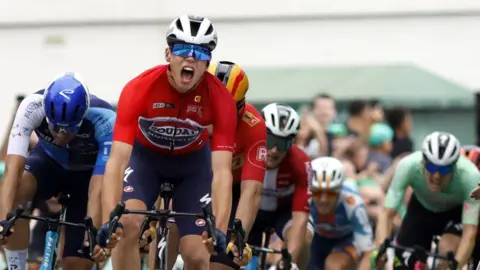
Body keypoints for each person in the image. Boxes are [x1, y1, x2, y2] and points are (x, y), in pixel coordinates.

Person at [96, 15, 238, 270]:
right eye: (183, 49)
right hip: (146, 162)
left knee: (197, 253)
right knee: (126, 227)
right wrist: (110, 219)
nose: (191, 58)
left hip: (192, 168)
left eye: (201, 52)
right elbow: (116, 162)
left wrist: (220, 228)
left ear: (207, 62)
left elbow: (222, 173)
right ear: (168, 54)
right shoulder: (139, 88)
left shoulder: (221, 98)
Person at [0, 72, 113, 270]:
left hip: (86, 176)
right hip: (48, 162)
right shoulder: (31, 107)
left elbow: (98, 188)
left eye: (68, 129)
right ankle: (15, 267)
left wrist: (92, 233)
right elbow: (12, 170)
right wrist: (3, 222)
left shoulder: (105, 118)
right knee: (18, 190)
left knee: (76, 263)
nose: (61, 136)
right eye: (55, 128)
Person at [163, 61, 267, 270]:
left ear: (241, 106)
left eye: (227, 109)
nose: (219, 116)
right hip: (192, 181)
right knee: (170, 232)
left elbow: (251, 192)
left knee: (220, 263)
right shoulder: (185, 111)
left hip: (232, 191)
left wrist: (237, 236)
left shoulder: (253, 125)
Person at [375, 132, 480, 269]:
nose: (436, 176)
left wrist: (456, 265)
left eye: (444, 170)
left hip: (455, 213)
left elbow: (469, 232)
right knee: (404, 264)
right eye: (431, 167)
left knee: (449, 255)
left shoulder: (470, 177)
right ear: (422, 162)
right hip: (421, 210)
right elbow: (386, 214)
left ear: (454, 166)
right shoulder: (408, 166)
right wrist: (381, 250)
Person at [246, 103, 312, 270]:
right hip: (251, 208)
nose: (275, 150)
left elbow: (300, 218)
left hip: (283, 212)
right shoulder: (245, 151)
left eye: (283, 143)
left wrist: (289, 260)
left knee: (304, 238)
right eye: (271, 140)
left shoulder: (301, 162)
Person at [308, 157, 374, 270]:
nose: (323, 200)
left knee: (334, 266)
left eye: (330, 193)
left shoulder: (354, 204)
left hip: (346, 240)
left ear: (340, 191)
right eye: (317, 192)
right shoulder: (305, 198)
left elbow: (367, 253)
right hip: (317, 238)